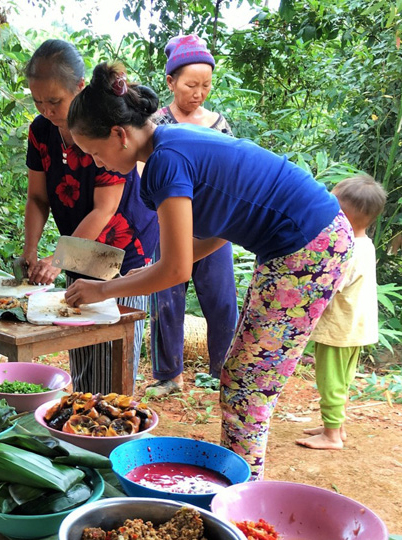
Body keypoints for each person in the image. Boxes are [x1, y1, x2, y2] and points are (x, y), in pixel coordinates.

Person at [64, 62, 353, 479]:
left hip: (308, 247)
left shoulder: (164, 162)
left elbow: (176, 271)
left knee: (246, 384)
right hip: (304, 241)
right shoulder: (171, 142)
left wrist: (104, 289)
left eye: (93, 152)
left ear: (118, 134)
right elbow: (222, 228)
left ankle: (242, 493)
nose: (97, 163)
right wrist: (156, 268)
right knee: (242, 377)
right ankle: (242, 483)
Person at [22, 39, 159, 395]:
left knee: (114, 354)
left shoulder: (103, 126)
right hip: (78, 248)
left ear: (79, 88)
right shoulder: (40, 131)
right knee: (81, 349)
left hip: (122, 250)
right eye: (38, 101)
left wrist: (59, 256)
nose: (47, 110)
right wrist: (31, 252)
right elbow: (38, 198)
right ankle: (83, 424)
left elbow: (105, 208)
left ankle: (112, 432)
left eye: (55, 101)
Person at [146, 34, 239, 397]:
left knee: (221, 300)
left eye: (205, 85)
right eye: (190, 85)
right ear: (170, 82)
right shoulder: (157, 123)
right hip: (168, 224)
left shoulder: (219, 123)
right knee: (165, 297)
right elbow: (146, 174)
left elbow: (232, 175)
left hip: (214, 227)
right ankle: (169, 376)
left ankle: (224, 374)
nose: (198, 93)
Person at [296, 174, 386, 450]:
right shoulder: (365, 245)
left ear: (343, 217)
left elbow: (331, 286)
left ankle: (332, 436)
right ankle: (335, 426)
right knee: (342, 380)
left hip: (339, 329)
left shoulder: (347, 250)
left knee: (330, 382)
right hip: (357, 326)